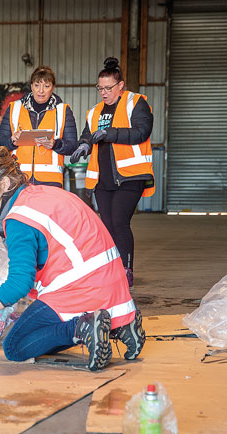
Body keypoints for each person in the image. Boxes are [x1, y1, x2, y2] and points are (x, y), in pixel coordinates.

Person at [0, 147, 145, 371]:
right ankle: (121, 326)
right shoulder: (40, 194)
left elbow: (19, 284)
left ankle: (83, 327)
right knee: (41, 334)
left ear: (4, 184)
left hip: (80, 291)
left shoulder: (18, 220)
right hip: (112, 285)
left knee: (17, 346)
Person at [70, 57, 154, 288]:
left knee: (119, 221)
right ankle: (111, 269)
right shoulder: (95, 111)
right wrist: (84, 145)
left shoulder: (136, 103)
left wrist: (110, 133)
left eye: (108, 88)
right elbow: (88, 134)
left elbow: (142, 131)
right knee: (106, 225)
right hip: (102, 178)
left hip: (130, 176)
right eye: (100, 88)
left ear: (121, 85)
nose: (104, 93)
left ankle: (126, 270)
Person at [0, 66, 78, 187]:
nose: (41, 91)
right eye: (37, 85)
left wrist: (55, 144)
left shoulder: (63, 111)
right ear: (31, 86)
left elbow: (73, 146)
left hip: (51, 179)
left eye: (46, 86)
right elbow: (0, 140)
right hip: (18, 177)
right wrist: (12, 140)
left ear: (53, 87)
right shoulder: (14, 108)